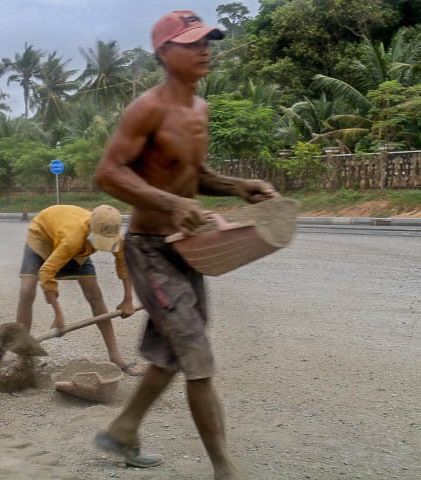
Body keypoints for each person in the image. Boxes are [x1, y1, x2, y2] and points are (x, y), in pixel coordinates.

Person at [91, 10, 278, 478]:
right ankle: (225, 469)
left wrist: (238, 186)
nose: (204, 50)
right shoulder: (147, 108)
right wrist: (170, 203)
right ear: (163, 52)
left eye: (207, 41)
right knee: (195, 353)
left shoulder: (199, 109)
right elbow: (108, 174)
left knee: (171, 351)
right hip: (150, 249)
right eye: (192, 42)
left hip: (187, 248)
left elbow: (193, 175)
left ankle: (124, 429)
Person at [15, 204, 142, 376]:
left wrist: (128, 299)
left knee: (94, 293)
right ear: (90, 227)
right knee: (27, 290)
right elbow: (46, 273)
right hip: (42, 236)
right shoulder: (72, 238)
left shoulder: (114, 236)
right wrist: (58, 314)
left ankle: (115, 357)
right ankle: (22, 357)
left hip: (77, 246)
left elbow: (124, 264)